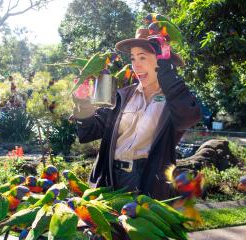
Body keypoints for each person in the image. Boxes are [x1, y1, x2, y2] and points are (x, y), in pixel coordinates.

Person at [72, 28, 202, 200]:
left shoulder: (174, 99)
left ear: (161, 60)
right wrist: (82, 102)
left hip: (147, 182)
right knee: (108, 226)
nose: (136, 65)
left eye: (143, 57)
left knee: (137, 226)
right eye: (133, 59)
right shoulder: (122, 95)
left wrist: (166, 71)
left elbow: (189, 118)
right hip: (109, 178)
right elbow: (89, 132)